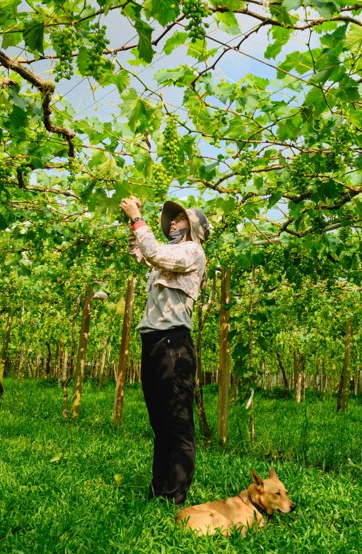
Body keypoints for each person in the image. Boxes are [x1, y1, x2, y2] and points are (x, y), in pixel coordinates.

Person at [119, 195, 210, 506]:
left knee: (177, 424)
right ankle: (159, 493)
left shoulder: (193, 252)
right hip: (155, 343)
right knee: (160, 423)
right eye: (172, 218)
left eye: (180, 219)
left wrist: (137, 219)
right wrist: (135, 221)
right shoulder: (170, 253)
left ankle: (175, 497)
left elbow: (154, 252)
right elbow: (141, 252)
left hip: (174, 344)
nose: (173, 222)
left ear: (194, 228)